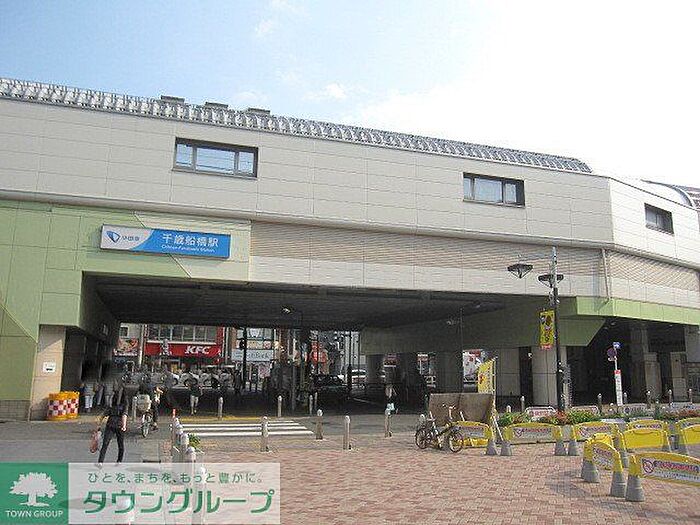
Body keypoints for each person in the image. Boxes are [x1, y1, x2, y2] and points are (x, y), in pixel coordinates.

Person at [96, 395, 127, 464]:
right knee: (120, 444)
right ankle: (119, 461)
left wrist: (99, 424)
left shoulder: (111, 406)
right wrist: (124, 426)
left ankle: (100, 461)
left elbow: (103, 415)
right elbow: (124, 415)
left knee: (105, 444)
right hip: (119, 426)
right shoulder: (124, 406)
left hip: (110, 425)